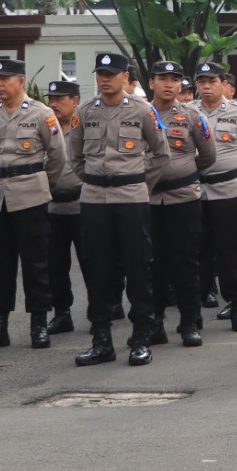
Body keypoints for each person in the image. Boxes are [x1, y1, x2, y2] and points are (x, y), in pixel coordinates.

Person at [69, 54, 169, 366]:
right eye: (100, 73)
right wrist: (96, 182)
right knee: (97, 269)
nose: (104, 79)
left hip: (132, 198)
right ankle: (101, 341)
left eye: (111, 74)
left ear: (125, 77)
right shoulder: (84, 112)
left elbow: (161, 154)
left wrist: (138, 184)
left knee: (138, 267)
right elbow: (74, 158)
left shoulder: (142, 110)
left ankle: (140, 338)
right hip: (95, 199)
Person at [0, 58, 69, 355]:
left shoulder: (42, 114)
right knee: (0, 264)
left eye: (6, 78)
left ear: (21, 82)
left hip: (31, 196)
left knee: (35, 263)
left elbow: (58, 158)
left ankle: (38, 323)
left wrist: (41, 186)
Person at [147, 60, 217, 347]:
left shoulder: (192, 115)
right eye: (162, 78)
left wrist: (183, 172)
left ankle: (189, 322)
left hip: (184, 198)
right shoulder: (140, 113)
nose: (168, 84)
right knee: (152, 264)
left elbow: (208, 155)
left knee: (186, 261)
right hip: (149, 199)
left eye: (174, 79)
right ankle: (155, 322)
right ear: (151, 82)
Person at [195, 61, 237, 333]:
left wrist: (235, 180)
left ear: (223, 84)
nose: (206, 86)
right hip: (195, 191)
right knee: (197, 252)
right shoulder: (187, 112)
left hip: (229, 191)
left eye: (212, 81)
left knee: (232, 250)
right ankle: (193, 310)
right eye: (201, 82)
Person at [43, 80, 83, 337]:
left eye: (61, 99)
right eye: (52, 99)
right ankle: (62, 313)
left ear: (75, 101)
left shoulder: (86, 127)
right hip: (52, 206)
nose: (54, 104)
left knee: (95, 262)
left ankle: (105, 306)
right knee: (55, 265)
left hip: (83, 206)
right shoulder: (46, 128)